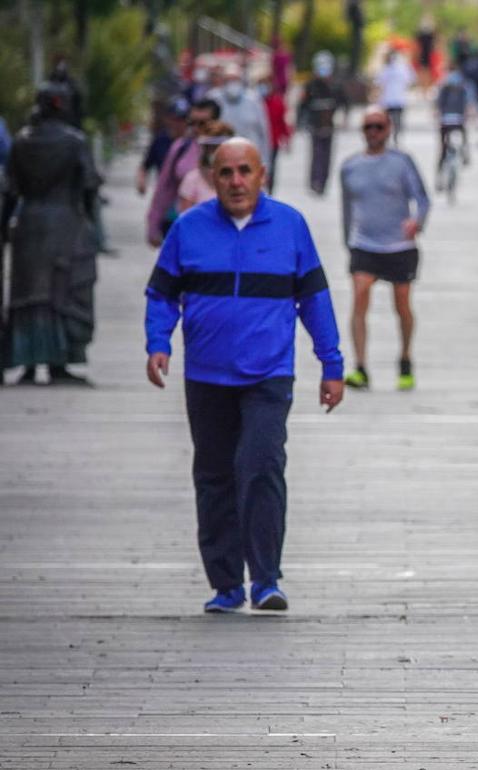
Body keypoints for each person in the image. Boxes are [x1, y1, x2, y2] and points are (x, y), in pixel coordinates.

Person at [143, 138, 344, 613]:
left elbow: (314, 299)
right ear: (212, 178)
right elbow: (161, 294)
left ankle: (267, 579)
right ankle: (226, 584)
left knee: (261, 467)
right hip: (207, 377)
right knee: (214, 476)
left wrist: (331, 364)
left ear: (262, 175)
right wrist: (158, 343)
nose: (236, 181)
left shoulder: (290, 226)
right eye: (226, 172)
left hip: (268, 375)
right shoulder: (189, 229)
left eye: (245, 171)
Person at [1, 82, 101, 385]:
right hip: (65, 222)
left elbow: (11, 190)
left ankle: (27, 362)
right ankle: (59, 362)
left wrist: (5, 226)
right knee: (62, 291)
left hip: (29, 222)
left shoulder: (21, 141)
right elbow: (89, 185)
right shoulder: (75, 142)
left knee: (29, 294)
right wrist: (89, 222)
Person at [339, 107, 431, 392]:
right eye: (368, 127)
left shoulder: (402, 162)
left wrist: (417, 222)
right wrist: (348, 241)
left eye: (378, 126)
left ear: (388, 129)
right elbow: (345, 208)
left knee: (401, 305)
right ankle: (360, 366)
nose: (373, 132)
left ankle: (405, 358)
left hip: (399, 245)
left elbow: (423, 198)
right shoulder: (350, 166)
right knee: (360, 295)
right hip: (364, 244)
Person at [146, 98, 221, 246]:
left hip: (217, 226)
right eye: (192, 122)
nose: (196, 128)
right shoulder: (181, 147)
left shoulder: (229, 150)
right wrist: (153, 224)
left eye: (202, 123)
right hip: (180, 221)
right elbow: (164, 186)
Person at [298, 51, 346, 195]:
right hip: (314, 125)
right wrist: (301, 122)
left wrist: (344, 119)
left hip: (329, 125)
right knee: (316, 154)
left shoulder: (335, 85)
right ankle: (315, 181)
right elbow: (302, 105)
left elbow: (344, 102)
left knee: (326, 156)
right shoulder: (311, 85)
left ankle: (323, 182)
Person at [210, 65, 270, 153]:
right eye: (228, 80)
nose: (232, 83)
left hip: (249, 153)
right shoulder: (213, 98)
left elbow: (263, 130)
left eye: (235, 79)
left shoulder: (253, 99)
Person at [177, 121, 234, 212]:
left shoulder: (239, 180)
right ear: (205, 149)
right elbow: (186, 221)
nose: (216, 152)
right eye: (212, 148)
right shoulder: (192, 179)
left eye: (220, 147)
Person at [434, 64, 476, 185]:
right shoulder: (463, 87)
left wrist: (438, 116)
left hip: (445, 122)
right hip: (458, 121)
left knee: (442, 149)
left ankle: (439, 177)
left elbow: (438, 106)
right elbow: (468, 105)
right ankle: (465, 155)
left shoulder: (443, 87)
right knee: (463, 138)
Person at [136, 97, 188, 196]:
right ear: (168, 119)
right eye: (175, 119)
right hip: (165, 194)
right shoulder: (160, 140)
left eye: (182, 119)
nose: (178, 123)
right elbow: (145, 166)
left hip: (187, 195)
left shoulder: (193, 144)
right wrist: (141, 182)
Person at [258, 76, 290, 194]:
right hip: (258, 142)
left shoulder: (277, 102)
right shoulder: (256, 102)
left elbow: (282, 122)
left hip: (273, 141)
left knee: (271, 168)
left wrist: (286, 138)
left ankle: (270, 190)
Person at [375, 49, 414, 144]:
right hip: (398, 99)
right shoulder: (403, 68)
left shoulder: (386, 69)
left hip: (389, 99)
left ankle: (389, 137)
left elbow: (379, 84)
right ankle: (395, 137)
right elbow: (410, 81)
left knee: (388, 121)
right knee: (397, 121)